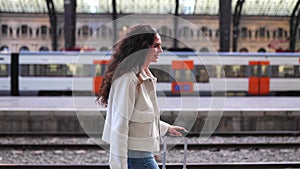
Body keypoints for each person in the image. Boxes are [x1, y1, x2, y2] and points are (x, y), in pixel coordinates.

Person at [96, 24, 186, 169]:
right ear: (143, 47)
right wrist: (119, 167)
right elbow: (120, 127)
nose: (161, 51)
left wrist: (165, 128)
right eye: (156, 46)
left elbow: (139, 118)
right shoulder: (128, 79)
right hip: (136, 160)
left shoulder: (143, 75)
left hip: (142, 157)